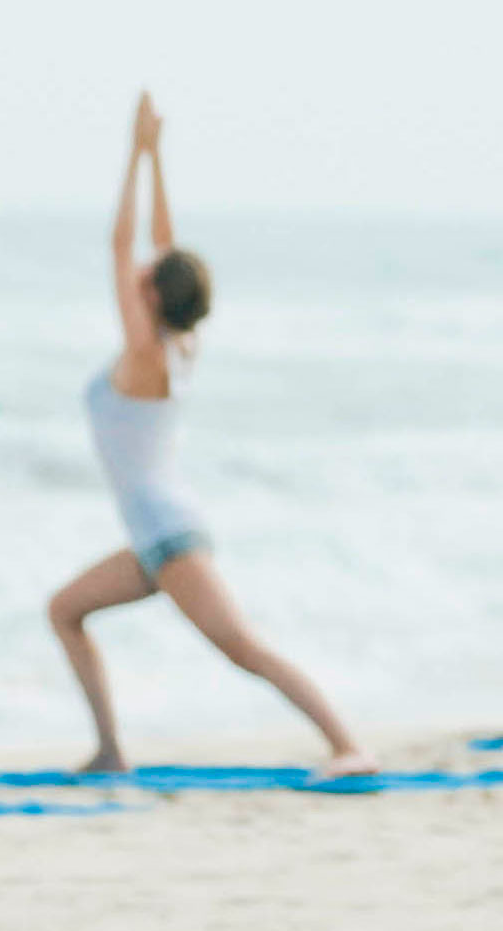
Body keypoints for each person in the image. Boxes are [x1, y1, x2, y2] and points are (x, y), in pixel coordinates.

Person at [43, 93, 373, 779]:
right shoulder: (178, 343)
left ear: (156, 299)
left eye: (145, 282)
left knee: (242, 647)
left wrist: (133, 155)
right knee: (65, 610)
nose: (134, 278)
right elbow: (163, 247)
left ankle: (347, 744)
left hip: (169, 538)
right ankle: (109, 751)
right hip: (154, 534)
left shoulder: (146, 355)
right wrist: (158, 155)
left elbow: (121, 244)